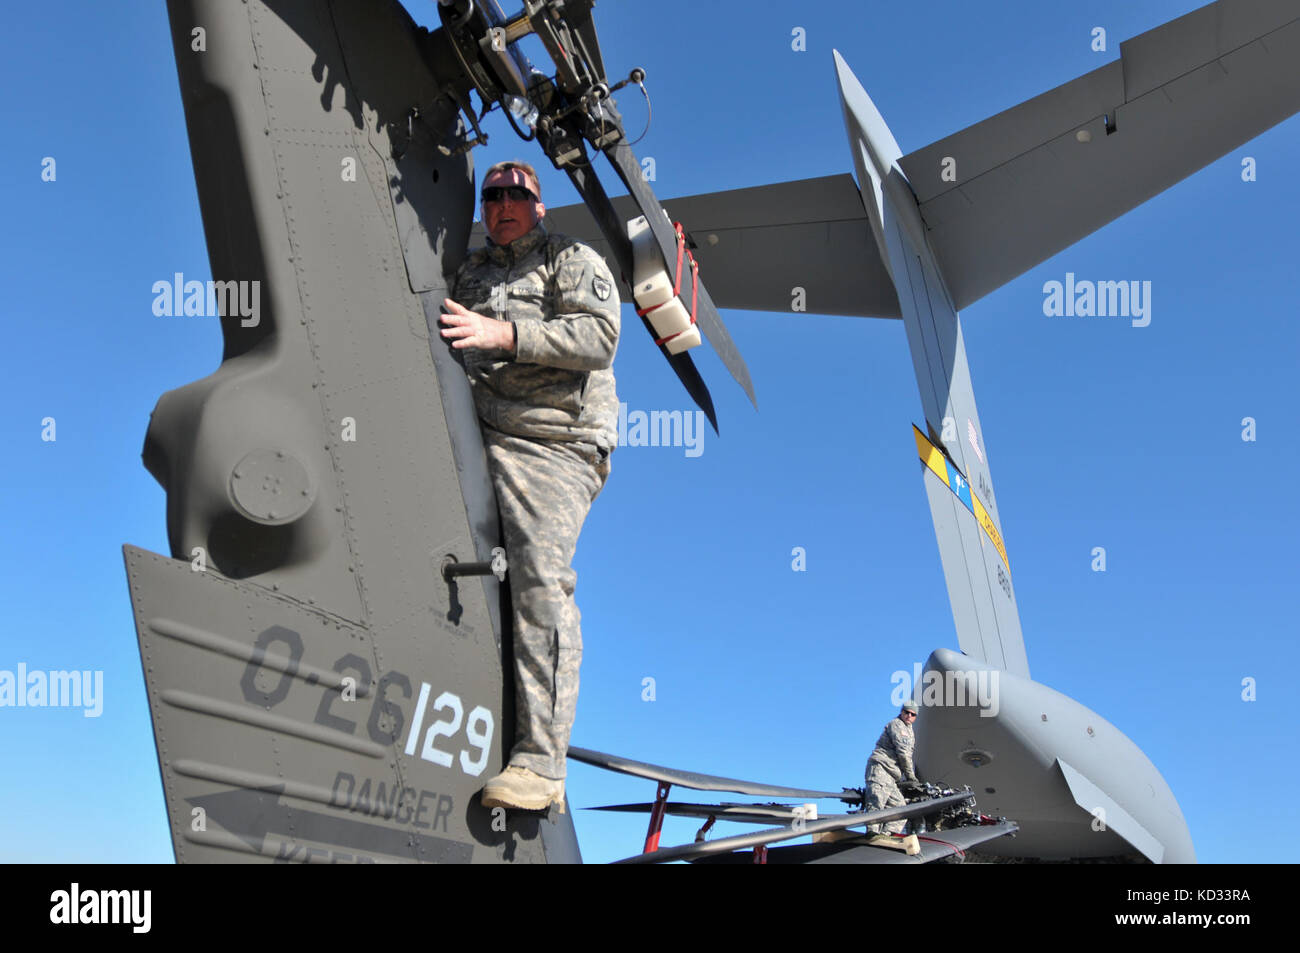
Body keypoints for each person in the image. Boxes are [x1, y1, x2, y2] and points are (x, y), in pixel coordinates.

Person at [440, 160, 619, 813]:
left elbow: (601, 336)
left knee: (540, 573)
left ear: (539, 205)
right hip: (484, 427)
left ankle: (543, 764)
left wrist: (504, 333)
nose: (503, 204)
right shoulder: (471, 270)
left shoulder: (569, 258)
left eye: (518, 194)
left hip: (556, 441)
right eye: (492, 195)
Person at [865, 701, 920, 834]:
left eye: (912, 714)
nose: (909, 716)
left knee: (900, 808)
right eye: (906, 712)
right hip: (881, 768)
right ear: (902, 712)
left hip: (892, 776)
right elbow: (903, 753)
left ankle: (886, 835)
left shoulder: (909, 730)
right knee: (877, 803)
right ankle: (872, 834)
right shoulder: (897, 725)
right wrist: (911, 776)